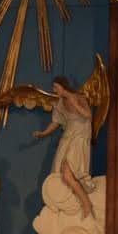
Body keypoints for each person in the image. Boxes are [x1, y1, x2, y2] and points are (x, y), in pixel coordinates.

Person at [32, 77, 96, 220]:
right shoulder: (60, 103)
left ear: (63, 86)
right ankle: (75, 204)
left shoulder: (79, 98)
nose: (54, 90)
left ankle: (86, 204)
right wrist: (43, 133)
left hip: (79, 137)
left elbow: (88, 115)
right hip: (67, 138)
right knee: (60, 173)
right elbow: (56, 122)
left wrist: (75, 103)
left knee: (68, 173)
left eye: (56, 87)